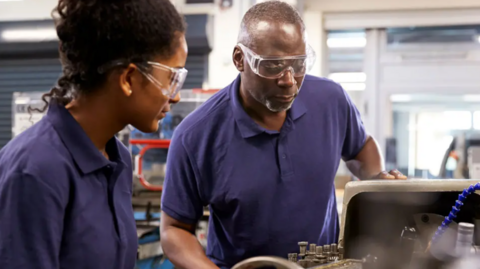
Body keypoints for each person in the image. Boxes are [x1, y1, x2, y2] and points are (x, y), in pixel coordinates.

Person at [160, 1, 407, 269]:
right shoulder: (195, 136)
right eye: (273, 65)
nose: (289, 79)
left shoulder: (330, 100)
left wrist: (374, 183)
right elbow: (174, 229)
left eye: (299, 64)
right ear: (240, 60)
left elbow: (363, 147)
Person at [0, 0, 187, 268]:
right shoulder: (34, 171)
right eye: (172, 78)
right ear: (128, 79)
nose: (177, 96)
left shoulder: (118, 160)